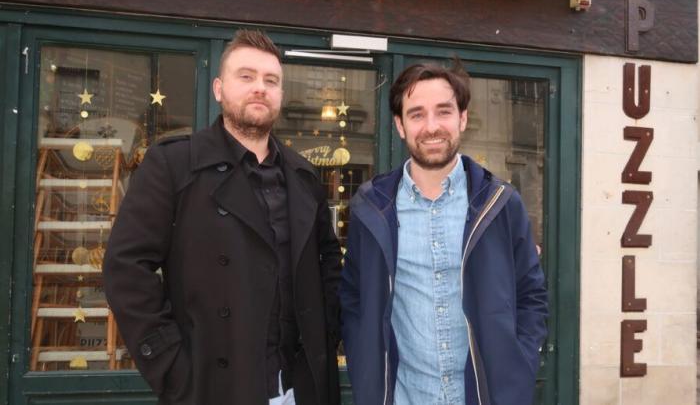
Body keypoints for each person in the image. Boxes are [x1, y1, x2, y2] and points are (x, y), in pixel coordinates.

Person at [103, 29, 342, 405]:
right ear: (218, 89)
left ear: (280, 94)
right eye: (245, 77)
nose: (259, 88)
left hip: (299, 387)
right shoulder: (173, 165)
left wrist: (326, 341)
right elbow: (126, 268)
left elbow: (328, 265)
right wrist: (173, 369)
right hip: (214, 388)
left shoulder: (303, 176)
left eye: (271, 80)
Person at [340, 62, 548, 405]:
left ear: (462, 119)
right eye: (417, 114)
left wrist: (518, 368)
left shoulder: (500, 204)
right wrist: (366, 368)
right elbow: (353, 300)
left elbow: (532, 297)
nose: (432, 126)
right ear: (400, 125)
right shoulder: (371, 209)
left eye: (444, 111)